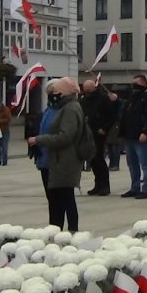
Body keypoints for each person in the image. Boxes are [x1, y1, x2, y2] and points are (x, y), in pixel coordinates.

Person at [28, 78, 84, 231]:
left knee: (66, 198)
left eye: (54, 92)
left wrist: (39, 140)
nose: (52, 95)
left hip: (64, 161)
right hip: (48, 160)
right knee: (53, 200)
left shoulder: (70, 109)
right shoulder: (52, 107)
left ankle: (72, 231)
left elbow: (66, 136)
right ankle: (54, 230)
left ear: (64, 92)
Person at [119, 75, 147, 199]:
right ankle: (135, 187)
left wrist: (145, 132)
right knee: (132, 164)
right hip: (129, 135)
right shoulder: (132, 98)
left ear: (143, 84)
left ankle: (146, 189)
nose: (133, 86)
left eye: (136, 84)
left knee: (145, 163)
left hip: (141, 136)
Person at [80, 79, 112, 196]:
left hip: (99, 133)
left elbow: (111, 115)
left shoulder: (103, 98)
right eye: (85, 91)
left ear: (94, 88)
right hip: (88, 132)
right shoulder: (84, 99)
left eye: (89, 90)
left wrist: (104, 128)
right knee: (92, 159)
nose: (87, 93)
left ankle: (105, 185)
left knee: (99, 159)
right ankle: (97, 184)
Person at [106, 91, 123, 171]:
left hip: (116, 127)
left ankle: (115, 164)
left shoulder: (118, 105)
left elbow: (120, 116)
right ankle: (112, 164)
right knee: (110, 147)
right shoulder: (108, 105)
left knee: (115, 147)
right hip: (110, 127)